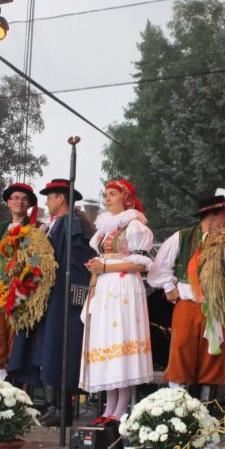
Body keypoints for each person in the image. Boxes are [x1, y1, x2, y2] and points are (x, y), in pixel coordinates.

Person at [7, 178, 95, 427]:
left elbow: (80, 259)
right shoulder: (54, 224)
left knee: (59, 348)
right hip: (49, 295)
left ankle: (61, 408)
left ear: (62, 199)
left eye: (50, 196)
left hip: (63, 297)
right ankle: (51, 406)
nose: (46, 201)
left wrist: (76, 295)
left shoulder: (73, 223)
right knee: (46, 348)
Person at [80, 179, 154, 426]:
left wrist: (105, 266)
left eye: (113, 194)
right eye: (106, 194)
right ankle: (109, 407)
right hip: (105, 286)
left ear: (126, 198)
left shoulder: (135, 226)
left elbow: (140, 263)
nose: (107, 198)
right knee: (107, 344)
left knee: (121, 342)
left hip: (123, 288)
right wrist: (98, 268)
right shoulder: (105, 228)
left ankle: (120, 409)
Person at [147, 195, 225, 400]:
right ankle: (179, 407)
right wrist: (168, 287)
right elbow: (158, 268)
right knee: (181, 353)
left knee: (212, 356)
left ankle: (206, 409)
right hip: (187, 305)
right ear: (212, 216)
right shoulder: (182, 237)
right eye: (224, 215)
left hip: (215, 308)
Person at [0, 183, 40, 380]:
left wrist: (28, 279)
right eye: (15, 198)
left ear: (29, 205)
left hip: (23, 289)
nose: (19, 202)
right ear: (8, 202)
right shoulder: (2, 228)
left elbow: (38, 259)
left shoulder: (37, 228)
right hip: (1, 287)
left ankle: (14, 387)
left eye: (24, 199)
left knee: (16, 337)